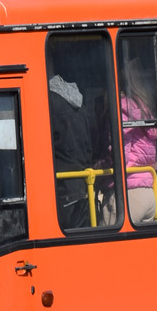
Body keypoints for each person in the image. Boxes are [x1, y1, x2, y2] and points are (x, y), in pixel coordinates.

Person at [49, 72, 97, 229]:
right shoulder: (79, 105)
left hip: (62, 188)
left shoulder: (49, 102)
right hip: (83, 186)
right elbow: (89, 147)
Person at [120, 63, 157, 224]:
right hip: (148, 190)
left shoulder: (124, 106)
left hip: (129, 189)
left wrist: (102, 166)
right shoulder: (145, 107)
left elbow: (120, 154)